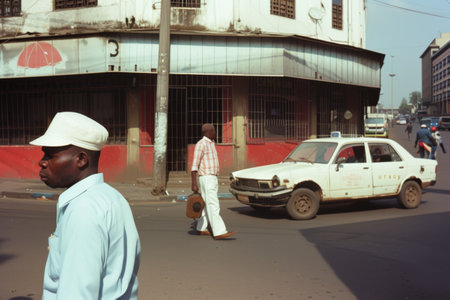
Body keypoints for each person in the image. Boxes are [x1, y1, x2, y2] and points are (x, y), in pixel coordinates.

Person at [30, 112, 141, 299]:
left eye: (50, 155)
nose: (42, 162)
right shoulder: (112, 197)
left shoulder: (83, 209)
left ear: (81, 159)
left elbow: (77, 293)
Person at [191, 123, 236, 240]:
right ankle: (219, 231)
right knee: (213, 204)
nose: (215, 133)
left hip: (212, 177)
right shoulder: (201, 144)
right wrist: (194, 183)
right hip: (206, 178)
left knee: (206, 204)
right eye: (214, 131)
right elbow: (194, 165)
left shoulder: (211, 144)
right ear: (208, 132)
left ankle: (201, 228)